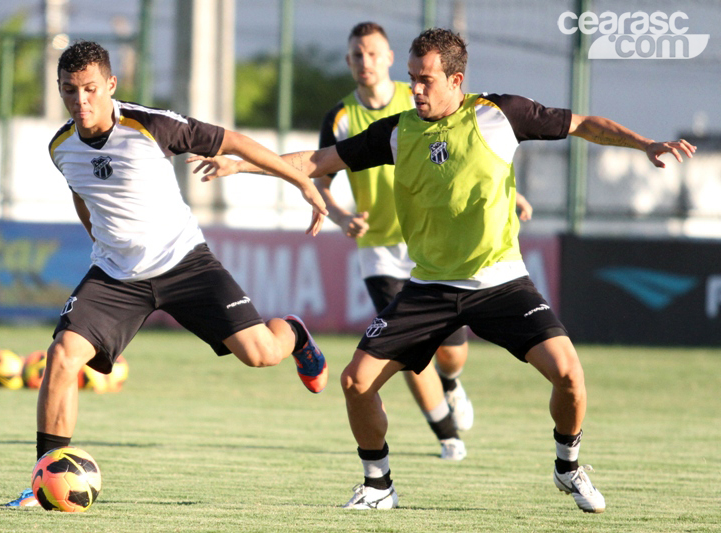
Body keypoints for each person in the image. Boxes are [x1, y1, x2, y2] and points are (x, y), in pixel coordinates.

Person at [189, 28, 695, 513]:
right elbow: (320, 160)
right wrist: (245, 164)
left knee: (569, 376)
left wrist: (645, 144)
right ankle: (378, 484)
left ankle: (568, 464)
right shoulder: (397, 130)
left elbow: (582, 123)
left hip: (501, 282)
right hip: (429, 286)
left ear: (456, 80)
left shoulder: (502, 114)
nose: (414, 89)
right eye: (411, 77)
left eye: (425, 79)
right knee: (354, 383)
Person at [6, 40, 330, 508]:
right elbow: (83, 192)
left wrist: (300, 180)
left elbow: (234, 141)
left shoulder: (151, 125)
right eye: (70, 91)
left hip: (185, 263)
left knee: (260, 354)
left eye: (91, 89)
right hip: (117, 276)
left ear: (111, 85)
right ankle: (43, 482)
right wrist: (101, 240)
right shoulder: (61, 148)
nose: (81, 101)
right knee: (61, 357)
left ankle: (294, 335)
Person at [318, 22, 535, 461]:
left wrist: (513, 193)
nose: (366, 63)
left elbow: (471, 154)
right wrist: (341, 216)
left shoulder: (418, 96)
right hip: (379, 247)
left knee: (452, 355)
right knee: (403, 349)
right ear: (348, 62)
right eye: (357, 56)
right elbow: (321, 174)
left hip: (437, 248)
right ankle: (446, 435)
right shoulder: (340, 117)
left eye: (374, 54)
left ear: (390, 58)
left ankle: (451, 383)